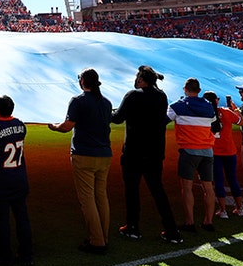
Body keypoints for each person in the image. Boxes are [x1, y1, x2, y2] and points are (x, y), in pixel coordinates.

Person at [110, 65, 183, 244]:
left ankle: (132, 227)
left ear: (141, 80)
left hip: (134, 151)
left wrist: (106, 110)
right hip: (155, 151)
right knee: (158, 190)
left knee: (132, 190)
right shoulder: (161, 96)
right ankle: (172, 230)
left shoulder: (133, 95)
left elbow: (118, 118)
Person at [49, 68, 112, 254]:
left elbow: (67, 127)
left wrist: (53, 126)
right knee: (101, 196)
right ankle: (104, 236)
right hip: (104, 154)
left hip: (84, 154)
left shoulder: (78, 101)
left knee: (87, 199)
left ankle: (97, 241)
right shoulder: (106, 102)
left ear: (83, 82)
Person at [0, 94, 33, 266]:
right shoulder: (20, 125)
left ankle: (5, 255)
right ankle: (26, 254)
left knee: (1, 221)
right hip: (19, 178)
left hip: (0, 181)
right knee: (22, 217)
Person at [167, 77, 217, 232]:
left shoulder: (177, 106)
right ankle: (208, 221)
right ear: (199, 90)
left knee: (187, 187)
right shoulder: (209, 107)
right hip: (207, 150)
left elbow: (163, 120)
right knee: (208, 187)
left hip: (189, 150)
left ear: (185, 89)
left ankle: (190, 222)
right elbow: (214, 123)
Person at [204, 93, 243, 219]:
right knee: (232, 179)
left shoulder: (204, 114)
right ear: (217, 100)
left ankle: (223, 210)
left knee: (218, 181)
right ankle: (240, 208)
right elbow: (242, 122)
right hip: (229, 151)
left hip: (214, 152)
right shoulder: (226, 112)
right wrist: (236, 110)